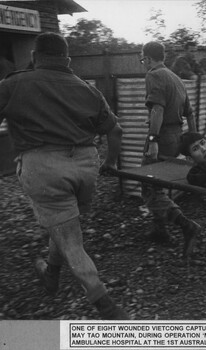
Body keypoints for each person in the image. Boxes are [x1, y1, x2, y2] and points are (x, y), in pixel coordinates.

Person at [0, 32, 128, 319]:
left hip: (44, 168)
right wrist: (108, 162)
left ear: (34, 58)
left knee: (71, 240)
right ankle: (51, 275)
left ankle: (108, 307)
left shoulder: (13, 84)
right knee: (64, 224)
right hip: (85, 165)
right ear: (67, 59)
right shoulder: (88, 89)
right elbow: (115, 131)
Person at [140, 41, 201, 257]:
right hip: (176, 136)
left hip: (162, 136)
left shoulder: (154, 75)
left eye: (143, 60)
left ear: (148, 58)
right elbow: (190, 114)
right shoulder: (176, 78)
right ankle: (160, 230)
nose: (143, 64)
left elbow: (157, 109)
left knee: (148, 185)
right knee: (157, 184)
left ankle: (186, 225)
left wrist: (153, 139)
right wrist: (192, 141)